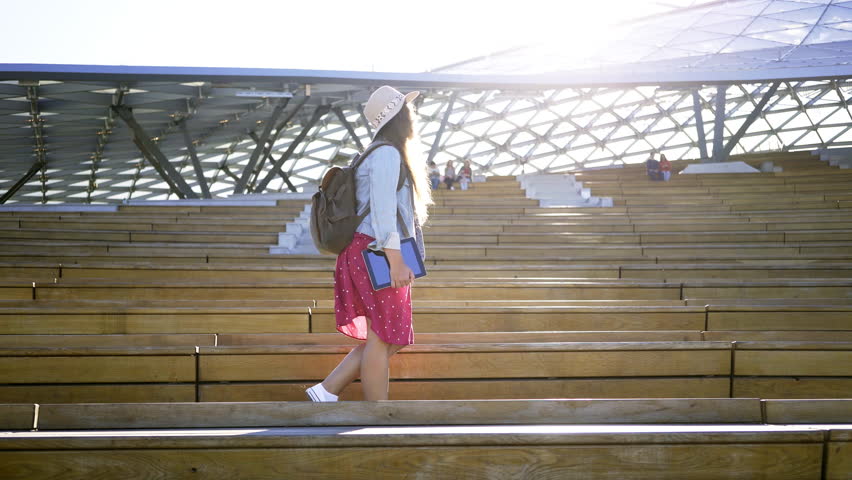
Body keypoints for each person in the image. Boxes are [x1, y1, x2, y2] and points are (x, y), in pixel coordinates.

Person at [306, 85, 432, 402]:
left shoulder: (377, 154)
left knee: (392, 335)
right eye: (407, 109)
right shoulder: (387, 154)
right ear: (399, 116)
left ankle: (327, 390)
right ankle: (377, 414)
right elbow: (384, 213)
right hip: (376, 251)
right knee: (382, 335)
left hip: (370, 250)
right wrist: (397, 260)